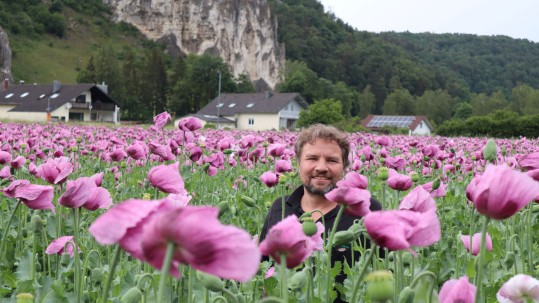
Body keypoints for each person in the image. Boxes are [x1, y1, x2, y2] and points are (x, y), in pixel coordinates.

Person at [259, 123, 382, 302]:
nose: (321, 167)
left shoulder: (367, 209)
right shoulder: (281, 208)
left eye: (332, 160)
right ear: (299, 163)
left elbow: (388, 269)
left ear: (344, 166)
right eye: (312, 158)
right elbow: (265, 268)